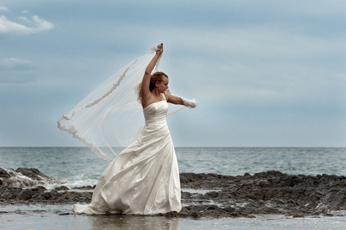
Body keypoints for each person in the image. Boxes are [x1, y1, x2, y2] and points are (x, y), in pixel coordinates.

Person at [72, 43, 197, 215]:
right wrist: (157, 55)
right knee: (136, 166)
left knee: (164, 168)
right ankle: (124, 198)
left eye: (168, 84)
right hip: (149, 136)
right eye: (165, 84)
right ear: (157, 84)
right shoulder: (146, 96)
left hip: (164, 137)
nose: (167, 86)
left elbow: (176, 100)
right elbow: (147, 72)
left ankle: (163, 202)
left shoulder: (163, 96)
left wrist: (189, 102)